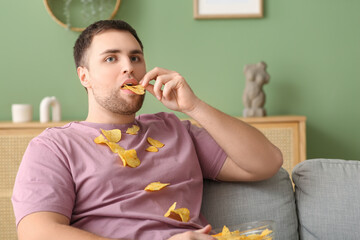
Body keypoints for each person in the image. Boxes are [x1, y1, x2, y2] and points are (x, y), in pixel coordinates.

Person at [12, 20, 283, 240]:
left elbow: (266, 163)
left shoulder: (175, 130)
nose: (128, 66)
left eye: (135, 57)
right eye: (110, 59)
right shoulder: (54, 146)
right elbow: (36, 232)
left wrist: (193, 106)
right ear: (85, 76)